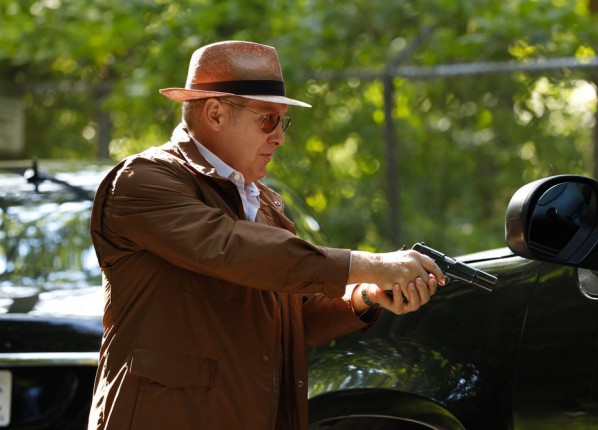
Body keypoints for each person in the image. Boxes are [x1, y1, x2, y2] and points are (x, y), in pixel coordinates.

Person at [87, 40, 445, 430]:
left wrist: (365, 295)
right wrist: (370, 264)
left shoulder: (260, 202)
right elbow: (233, 249)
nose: (279, 137)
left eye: (282, 122)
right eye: (268, 119)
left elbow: (296, 316)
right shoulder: (143, 179)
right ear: (215, 113)